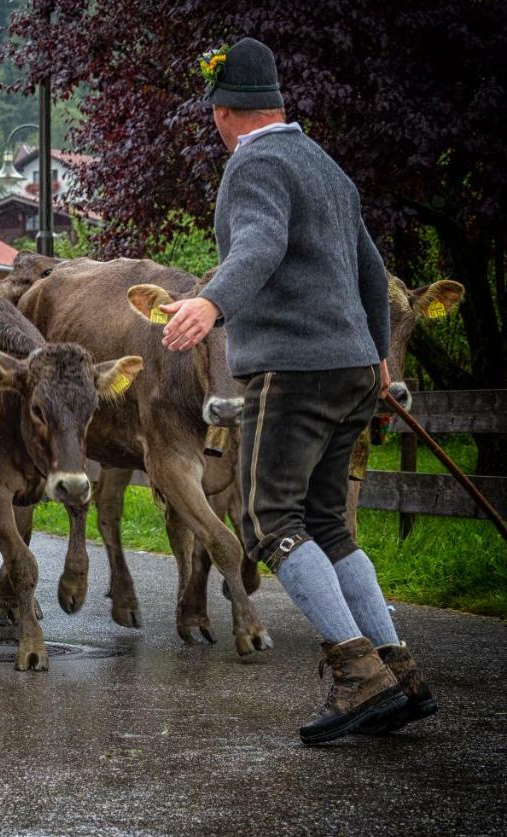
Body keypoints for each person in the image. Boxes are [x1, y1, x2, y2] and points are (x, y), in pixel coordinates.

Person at [160, 38, 433, 745]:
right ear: (276, 103)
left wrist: (211, 303)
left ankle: (356, 672)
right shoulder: (326, 166)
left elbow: (258, 245)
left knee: (268, 517)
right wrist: (376, 353)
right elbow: (372, 270)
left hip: (295, 368)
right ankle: (397, 669)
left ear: (224, 113)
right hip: (349, 369)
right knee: (327, 520)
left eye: (214, 115)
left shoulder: (254, 163)